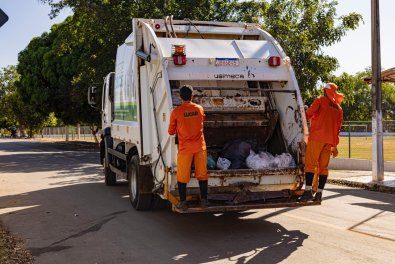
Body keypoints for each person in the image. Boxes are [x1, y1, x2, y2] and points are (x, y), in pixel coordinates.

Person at [299, 82, 344, 202]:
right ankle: (319, 194)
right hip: (329, 142)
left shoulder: (320, 100)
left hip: (317, 139)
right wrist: (335, 144)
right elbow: (338, 128)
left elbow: (308, 114)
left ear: (325, 91)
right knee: (323, 168)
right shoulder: (339, 109)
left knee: (310, 165)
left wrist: (301, 115)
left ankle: (308, 192)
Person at [168, 85, 208, 211]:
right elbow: (202, 120)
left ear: (180, 97)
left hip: (185, 149)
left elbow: (171, 131)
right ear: (192, 96)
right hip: (200, 147)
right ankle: (204, 201)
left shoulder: (176, 112)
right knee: (202, 175)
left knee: (182, 176)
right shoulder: (200, 109)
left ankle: (183, 202)